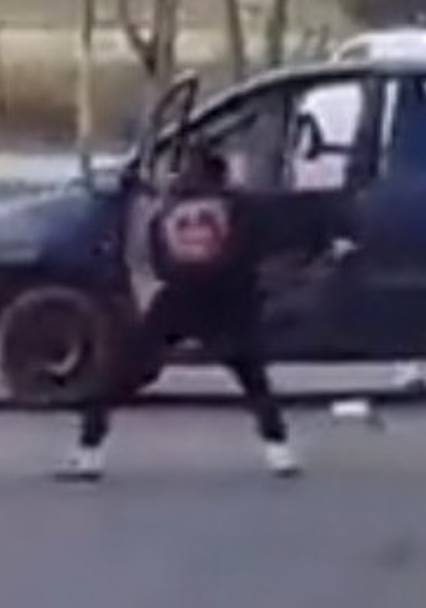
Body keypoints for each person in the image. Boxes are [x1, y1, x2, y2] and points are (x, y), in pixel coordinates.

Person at [56, 142, 322, 482]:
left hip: (178, 298)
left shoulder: (170, 209)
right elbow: (254, 250)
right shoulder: (238, 207)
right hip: (228, 301)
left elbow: (158, 256)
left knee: (120, 371)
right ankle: (279, 451)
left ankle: (88, 452)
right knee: (253, 379)